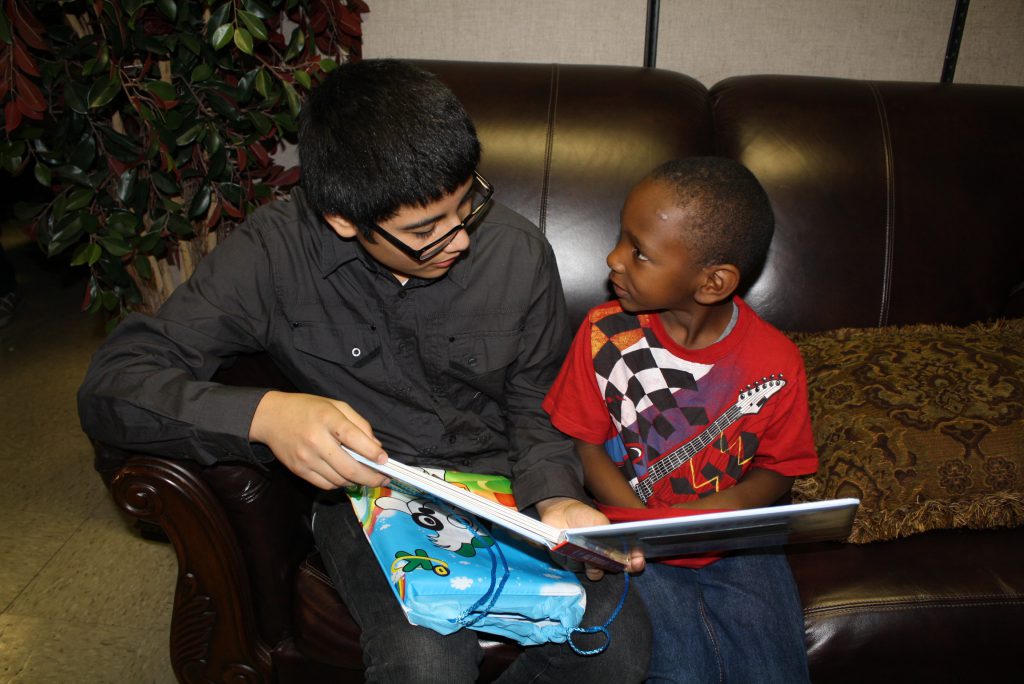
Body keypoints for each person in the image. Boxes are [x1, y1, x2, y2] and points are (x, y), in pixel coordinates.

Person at [77, 59, 649, 683]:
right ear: (344, 219)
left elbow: (535, 402)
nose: (458, 239)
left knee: (615, 647)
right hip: (369, 492)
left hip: (501, 482)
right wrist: (265, 415)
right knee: (424, 662)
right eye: (425, 230)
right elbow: (113, 384)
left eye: (467, 204)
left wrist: (558, 497)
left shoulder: (516, 253)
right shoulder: (272, 254)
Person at [543, 157, 818, 683]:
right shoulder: (605, 333)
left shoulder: (776, 362)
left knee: (773, 670)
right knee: (678, 670)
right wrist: (638, 524)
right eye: (622, 239)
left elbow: (781, 467)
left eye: (639, 252)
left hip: (740, 544)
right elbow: (585, 444)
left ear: (712, 282)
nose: (613, 259)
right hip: (629, 537)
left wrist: (720, 512)